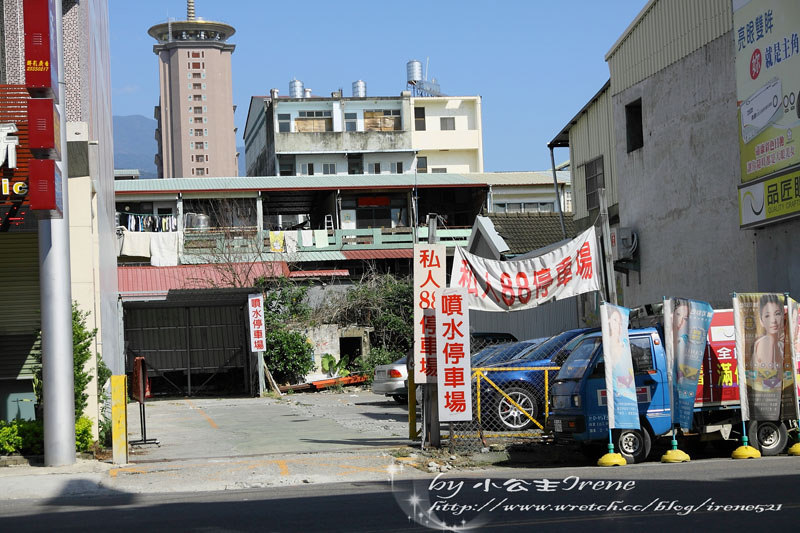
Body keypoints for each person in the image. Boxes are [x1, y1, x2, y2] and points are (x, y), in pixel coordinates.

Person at [752, 294, 784, 390]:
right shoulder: (761, 344)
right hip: (766, 397)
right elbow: (764, 383)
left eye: (777, 314)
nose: (773, 320)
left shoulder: (782, 344)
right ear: (761, 321)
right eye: (767, 316)